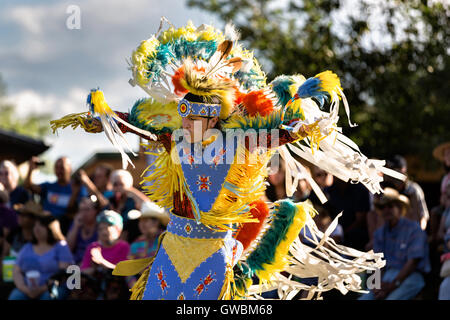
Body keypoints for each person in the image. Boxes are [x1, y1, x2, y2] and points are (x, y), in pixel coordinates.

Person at [50, 21, 399, 300]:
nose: (185, 121)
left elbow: (278, 134)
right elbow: (141, 126)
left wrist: (299, 125)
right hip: (173, 244)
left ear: (213, 118)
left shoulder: (239, 142)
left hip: (213, 250)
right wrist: (106, 119)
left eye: (194, 116)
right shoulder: (176, 139)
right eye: (183, 114)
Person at [359, 188, 431, 300]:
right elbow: (376, 264)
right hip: (386, 277)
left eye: (390, 206)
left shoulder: (414, 229)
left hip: (411, 277)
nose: (386, 210)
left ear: (400, 208)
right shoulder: (379, 234)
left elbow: (412, 263)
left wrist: (392, 286)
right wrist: (376, 287)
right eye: (382, 207)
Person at [8, 213, 74, 300]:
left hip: (53, 288)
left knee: (48, 297)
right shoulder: (27, 247)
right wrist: (25, 289)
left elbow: (63, 274)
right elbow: (16, 271)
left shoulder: (61, 246)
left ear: (51, 228)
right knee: (15, 296)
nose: (37, 228)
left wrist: (41, 289)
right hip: (27, 289)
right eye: (35, 225)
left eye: (41, 225)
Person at [25, 156, 88, 234]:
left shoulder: (78, 188)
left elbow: (74, 210)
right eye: (56, 167)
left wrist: (75, 193)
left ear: (70, 169)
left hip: (65, 228)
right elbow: (28, 186)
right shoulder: (49, 186)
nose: (59, 171)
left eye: (62, 168)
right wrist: (31, 170)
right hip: (46, 226)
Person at [385, 155, 429, 230]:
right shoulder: (387, 190)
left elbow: (423, 216)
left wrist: (419, 233)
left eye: (395, 170)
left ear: (403, 170)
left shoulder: (413, 190)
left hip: (412, 232)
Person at [80, 210, 130, 275]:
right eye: (100, 229)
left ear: (118, 230)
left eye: (107, 228)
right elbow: (83, 271)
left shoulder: (124, 247)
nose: (103, 232)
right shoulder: (93, 247)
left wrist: (101, 261)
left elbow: (123, 272)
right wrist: (94, 269)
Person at [108, 169, 148, 243]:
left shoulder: (133, 201)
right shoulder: (111, 201)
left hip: (133, 241)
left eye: (121, 184)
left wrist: (129, 189)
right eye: (115, 184)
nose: (118, 187)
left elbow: (148, 206)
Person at [66, 196, 100, 265]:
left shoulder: (100, 226)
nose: (83, 213)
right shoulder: (76, 224)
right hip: (75, 263)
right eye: (81, 210)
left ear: (95, 211)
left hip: (92, 264)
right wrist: (75, 227)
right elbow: (68, 248)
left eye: (87, 210)